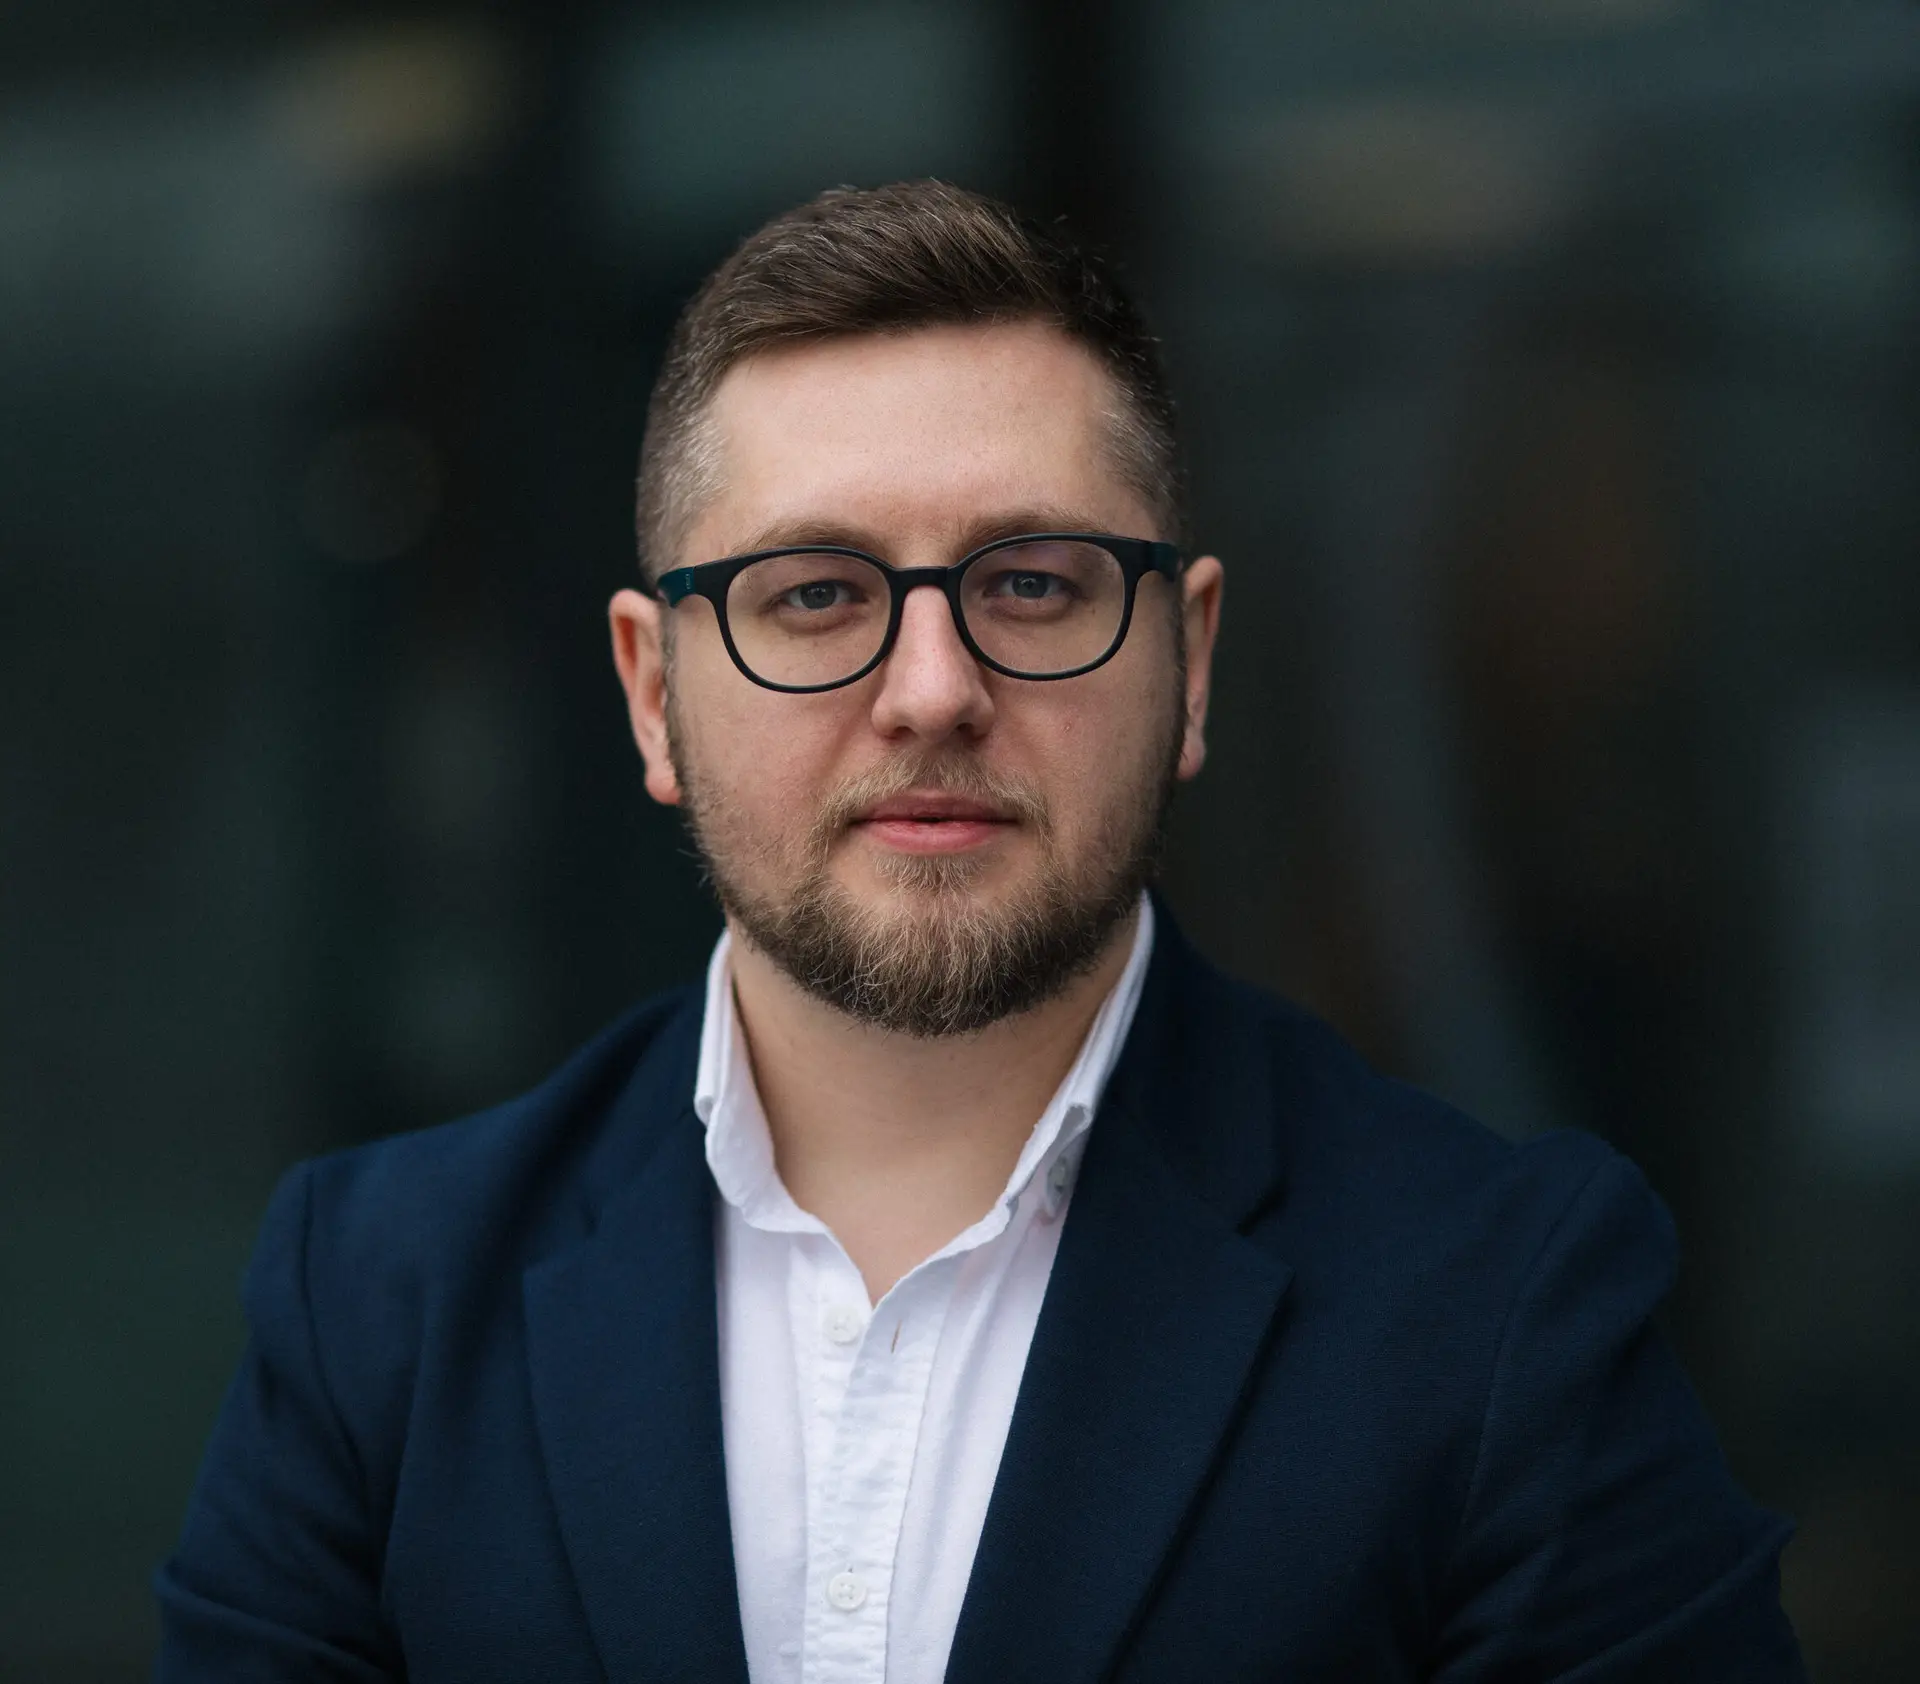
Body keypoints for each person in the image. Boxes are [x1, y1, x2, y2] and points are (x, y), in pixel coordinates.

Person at [155, 181, 1806, 1684]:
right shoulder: (375, 1306)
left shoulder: (1501, 1307)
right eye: (816, 593)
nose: (933, 691)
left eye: (1032, 584)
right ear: (653, 694)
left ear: (1190, 664)